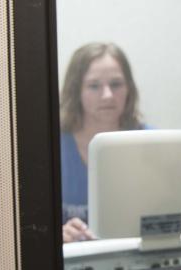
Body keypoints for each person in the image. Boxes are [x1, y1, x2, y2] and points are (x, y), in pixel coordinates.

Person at [59, 42, 147, 243]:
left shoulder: (153, 143)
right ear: (76, 91)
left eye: (116, 84)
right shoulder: (49, 148)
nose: (107, 95)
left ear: (129, 89)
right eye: (94, 86)